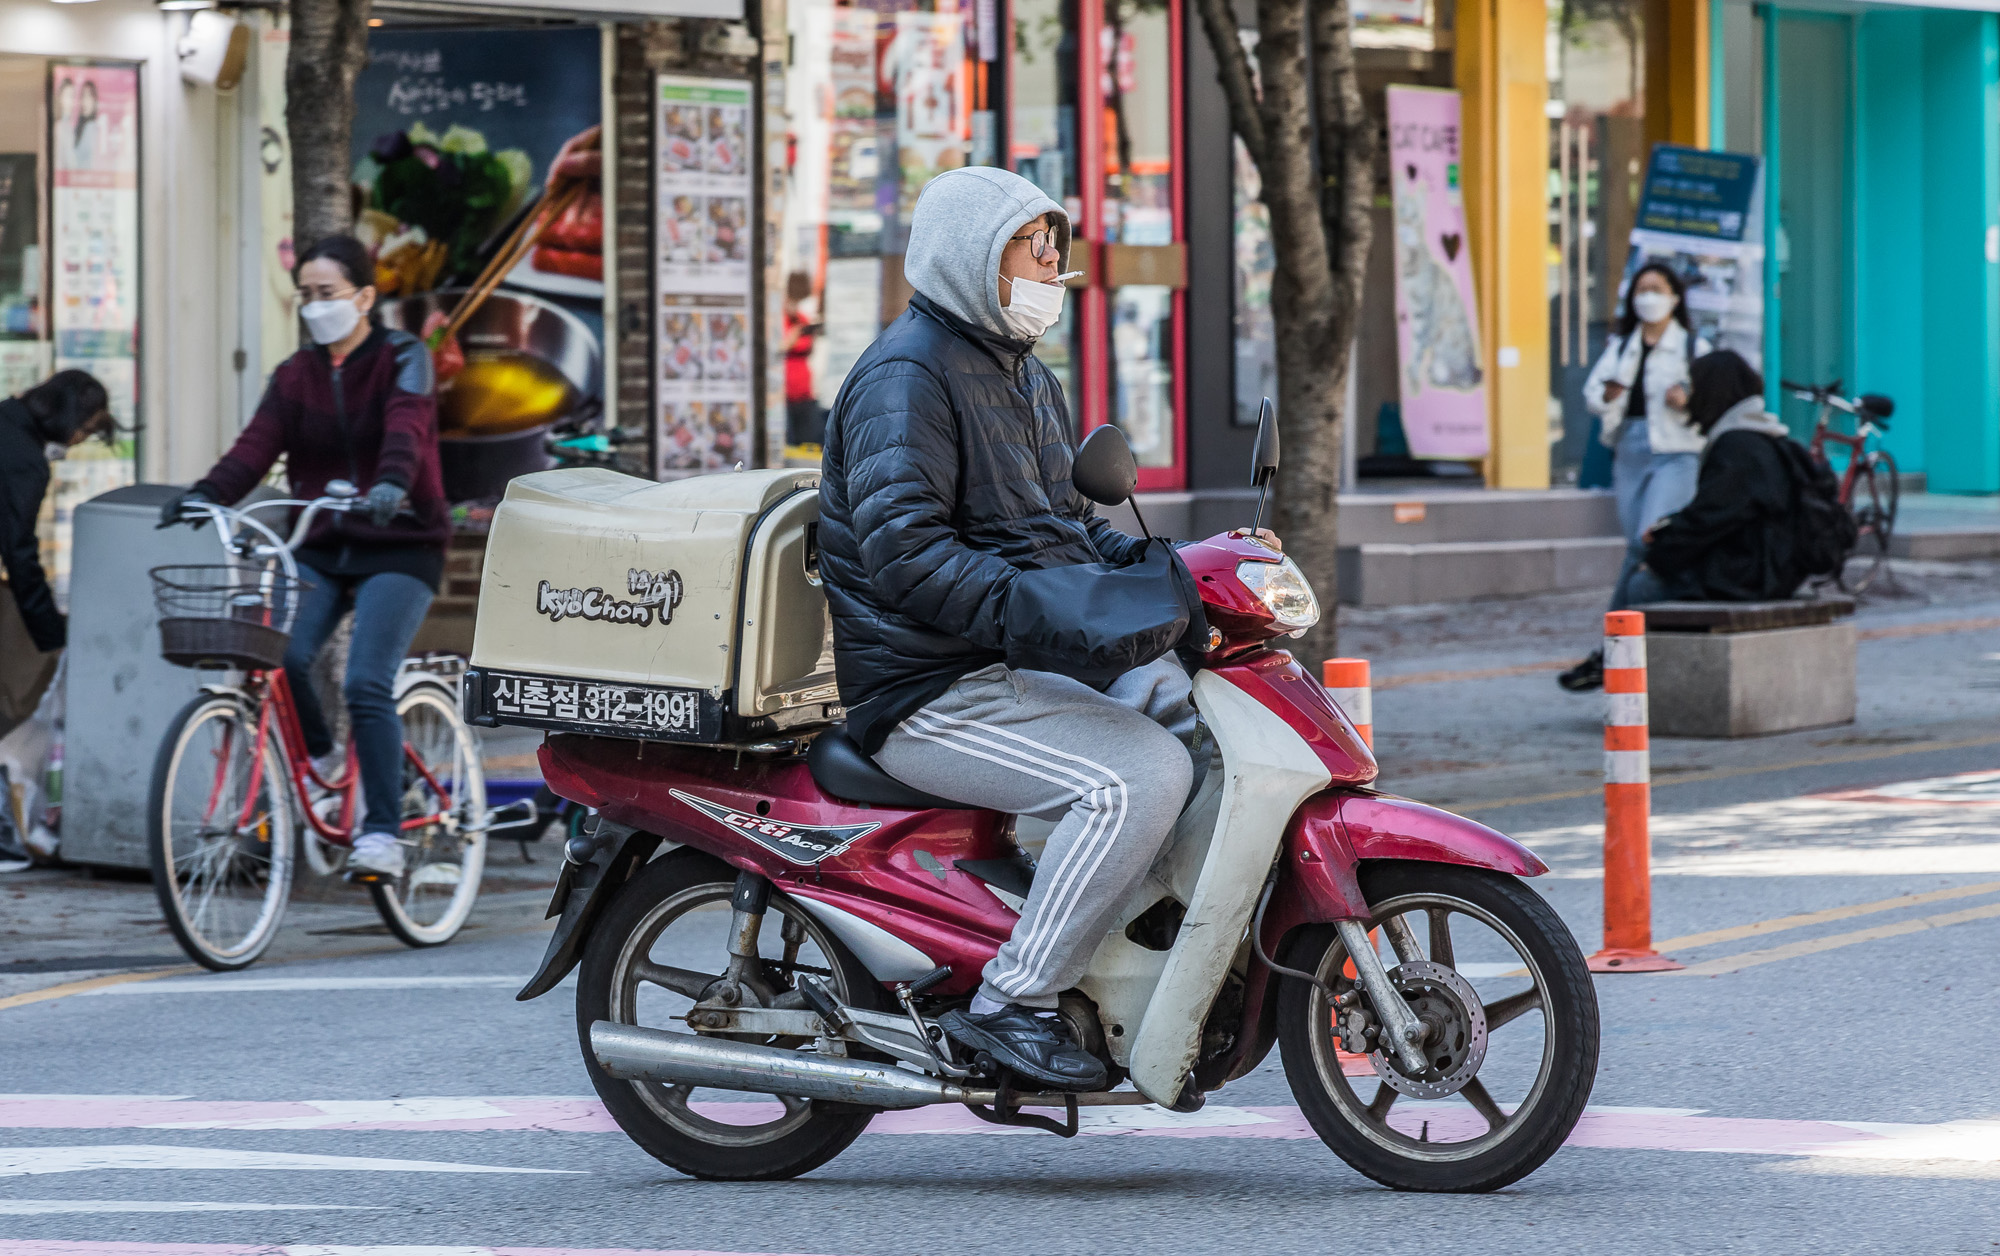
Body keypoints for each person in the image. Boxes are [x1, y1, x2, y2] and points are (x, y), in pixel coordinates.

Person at [819, 166, 1269, 1094]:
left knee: (1194, 715)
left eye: (1056, 242)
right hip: (930, 686)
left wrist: (1177, 572)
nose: (1055, 262)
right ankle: (1014, 1002)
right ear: (973, 257)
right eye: (1035, 243)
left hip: (1007, 662)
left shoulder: (1019, 374)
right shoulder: (906, 379)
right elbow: (906, 556)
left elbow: (1065, 529)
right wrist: (1047, 612)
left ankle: (1142, 953)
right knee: (1138, 776)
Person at [160, 235, 447, 879]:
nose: (316, 308)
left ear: (366, 297)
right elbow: (253, 448)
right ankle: (320, 761)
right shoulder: (295, 376)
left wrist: (392, 487)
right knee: (279, 653)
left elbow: (407, 429)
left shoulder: (405, 357)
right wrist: (204, 496)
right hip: (319, 543)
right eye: (306, 296)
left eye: (329, 294)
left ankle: (382, 833)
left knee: (366, 682)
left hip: (400, 542)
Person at [1560, 263, 1711, 691]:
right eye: (1642, 289)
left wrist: (1688, 398)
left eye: (1657, 289)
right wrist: (1608, 395)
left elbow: (1713, 394)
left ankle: (1612, 648)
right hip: (1630, 446)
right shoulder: (1623, 345)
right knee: (1634, 544)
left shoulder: (1693, 345)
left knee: (1648, 537)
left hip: (1677, 451)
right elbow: (1593, 394)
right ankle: (1620, 645)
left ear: (1675, 298)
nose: (1648, 297)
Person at [1627, 350, 1807, 605]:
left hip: (1747, 575)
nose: (1690, 398)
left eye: (1694, 388)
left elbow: (1709, 518)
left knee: (1642, 584)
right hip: (1767, 566)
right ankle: (1616, 642)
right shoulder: (1761, 434)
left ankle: (1617, 642)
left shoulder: (1736, 446)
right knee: (1646, 548)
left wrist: (1661, 547)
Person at [0, 370, 113, 655]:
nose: (77, 442)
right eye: (85, 432)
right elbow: (19, 552)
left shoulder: (5, 420)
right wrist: (55, 639)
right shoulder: (25, 462)